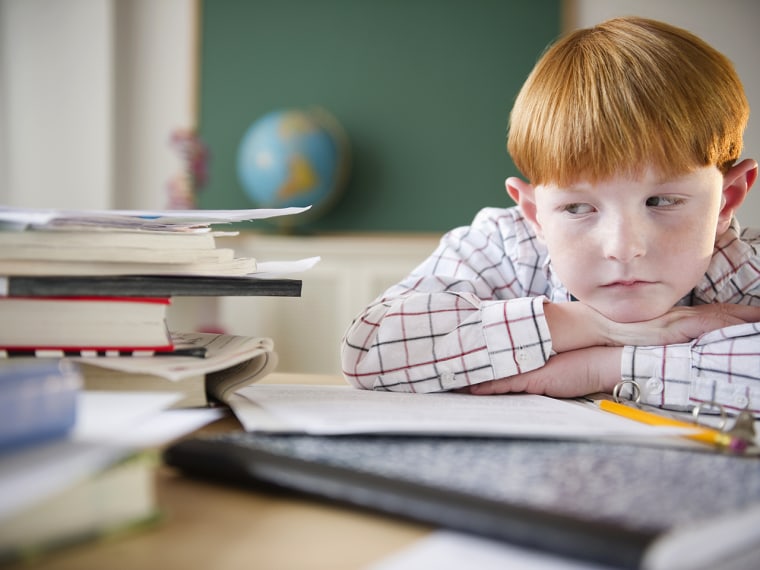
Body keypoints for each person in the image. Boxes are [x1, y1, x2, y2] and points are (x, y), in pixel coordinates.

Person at [340, 16, 760, 414]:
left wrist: (604, 369)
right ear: (535, 214)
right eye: (577, 207)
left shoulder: (745, 269)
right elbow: (369, 348)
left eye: (661, 201)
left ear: (726, 199)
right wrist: (592, 326)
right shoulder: (504, 246)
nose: (624, 247)